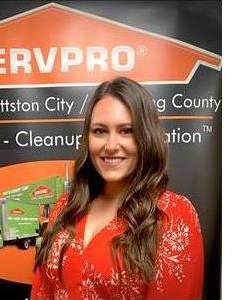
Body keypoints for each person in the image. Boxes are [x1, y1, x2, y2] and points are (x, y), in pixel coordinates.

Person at [30, 77, 203, 300]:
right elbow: (42, 290)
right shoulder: (66, 206)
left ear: (146, 137)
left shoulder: (172, 216)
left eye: (126, 131)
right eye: (100, 131)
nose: (111, 146)